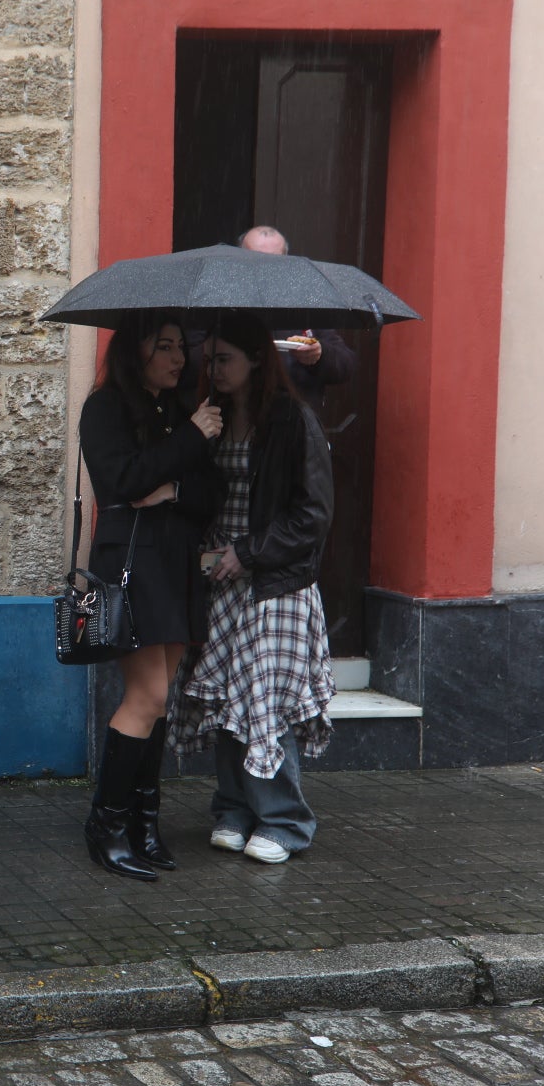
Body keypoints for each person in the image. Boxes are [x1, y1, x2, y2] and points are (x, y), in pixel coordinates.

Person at [172, 312, 336, 865]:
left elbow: (312, 515)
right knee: (223, 700)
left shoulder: (292, 420)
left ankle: (285, 821)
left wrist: (249, 552)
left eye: (225, 360)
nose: (212, 369)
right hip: (219, 577)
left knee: (264, 701)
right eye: (210, 359)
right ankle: (234, 809)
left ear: (257, 361)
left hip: (274, 582)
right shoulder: (209, 418)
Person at [78, 310, 222, 882]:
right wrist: (187, 441)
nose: (179, 358)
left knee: (159, 702)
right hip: (131, 564)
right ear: (136, 351)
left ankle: (143, 823)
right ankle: (106, 826)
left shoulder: (175, 413)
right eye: (165, 347)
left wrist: (173, 485)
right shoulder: (106, 407)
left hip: (173, 563)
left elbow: (208, 493)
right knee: (147, 696)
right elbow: (123, 482)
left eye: (181, 347)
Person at [237, 226, 357, 410]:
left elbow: (345, 365)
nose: (266, 268)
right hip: (240, 414)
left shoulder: (306, 304)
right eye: (256, 259)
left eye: (275, 261)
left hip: (297, 419)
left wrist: (319, 355)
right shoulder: (225, 303)